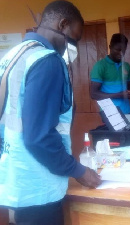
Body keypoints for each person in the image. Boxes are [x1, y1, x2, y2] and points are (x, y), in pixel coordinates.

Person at [0, 1, 101, 225]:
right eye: (74, 39)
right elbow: (38, 136)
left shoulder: (12, 56)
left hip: (15, 176)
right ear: (62, 24)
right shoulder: (47, 61)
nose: (71, 47)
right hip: (39, 183)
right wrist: (78, 170)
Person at [90, 33, 130, 114]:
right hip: (110, 112)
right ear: (110, 47)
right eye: (118, 50)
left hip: (127, 110)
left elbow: (129, 90)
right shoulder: (100, 66)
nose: (121, 53)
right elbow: (94, 94)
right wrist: (119, 95)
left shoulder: (126, 66)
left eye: (123, 50)